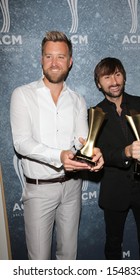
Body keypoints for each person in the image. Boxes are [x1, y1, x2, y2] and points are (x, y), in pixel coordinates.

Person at [10, 31, 104, 260]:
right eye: (48, 56)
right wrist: (59, 156)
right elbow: (21, 143)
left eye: (60, 57)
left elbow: (82, 141)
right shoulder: (22, 95)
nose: (54, 63)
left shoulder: (77, 100)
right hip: (39, 190)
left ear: (70, 62)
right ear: (41, 59)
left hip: (72, 188)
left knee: (68, 256)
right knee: (39, 261)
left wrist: (93, 154)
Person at [93, 57, 140, 260]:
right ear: (99, 83)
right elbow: (98, 154)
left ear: (124, 76)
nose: (114, 81)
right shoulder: (94, 114)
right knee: (113, 246)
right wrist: (125, 152)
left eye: (117, 74)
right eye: (107, 77)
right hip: (115, 189)